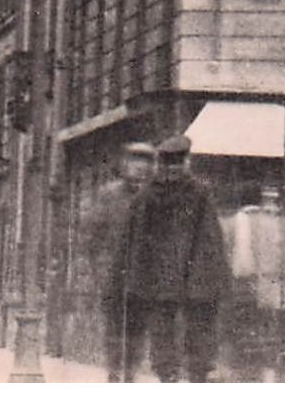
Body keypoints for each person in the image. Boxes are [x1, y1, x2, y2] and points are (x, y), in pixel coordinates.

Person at [117, 134, 229, 383]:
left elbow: (134, 242)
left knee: (164, 334)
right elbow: (210, 238)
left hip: (160, 281)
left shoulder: (146, 196)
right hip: (194, 279)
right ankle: (192, 375)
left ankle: (169, 376)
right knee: (194, 334)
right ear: (186, 161)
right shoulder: (200, 193)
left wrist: (137, 281)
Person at [83, 140, 156, 382]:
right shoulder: (109, 195)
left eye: (145, 162)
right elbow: (94, 237)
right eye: (134, 161)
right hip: (113, 275)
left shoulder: (156, 198)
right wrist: (99, 272)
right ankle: (114, 375)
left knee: (137, 330)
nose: (139, 168)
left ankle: (130, 375)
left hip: (145, 277)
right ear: (124, 164)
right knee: (114, 330)